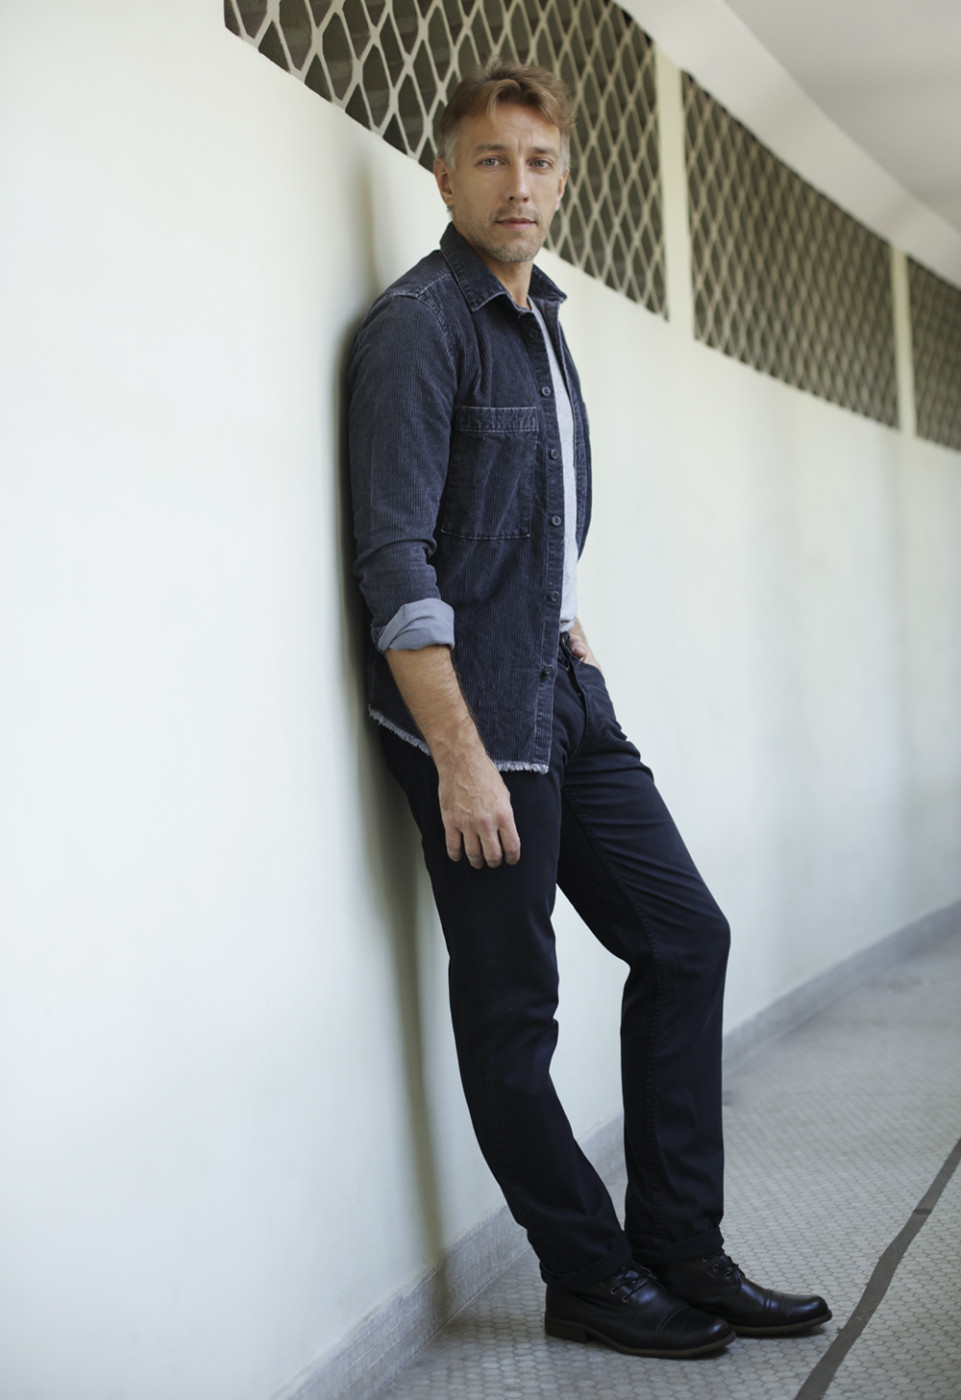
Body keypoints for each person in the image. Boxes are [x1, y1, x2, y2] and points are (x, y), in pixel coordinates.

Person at [348, 58, 830, 1359]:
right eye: (491, 159)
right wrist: (458, 756)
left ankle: (682, 1250)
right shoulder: (420, 327)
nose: (519, 184)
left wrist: (565, 628)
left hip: (562, 693)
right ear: (443, 175)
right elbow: (394, 557)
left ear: (563, 179)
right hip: (473, 725)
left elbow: (529, 515)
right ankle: (590, 1274)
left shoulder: (542, 316)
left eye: (541, 161)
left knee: (684, 937)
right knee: (515, 1015)